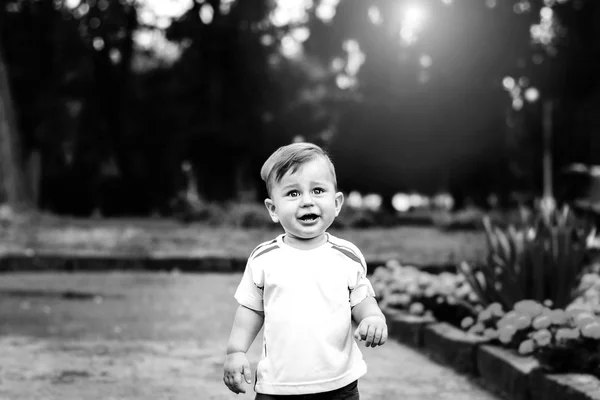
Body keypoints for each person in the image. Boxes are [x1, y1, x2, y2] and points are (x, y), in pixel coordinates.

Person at [223, 142, 388, 399]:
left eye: (318, 190)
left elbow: (361, 298)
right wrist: (236, 351)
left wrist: (373, 318)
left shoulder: (347, 256)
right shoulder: (264, 259)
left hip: (339, 385)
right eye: (292, 194)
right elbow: (251, 309)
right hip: (278, 386)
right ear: (273, 209)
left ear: (337, 203)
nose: (307, 201)